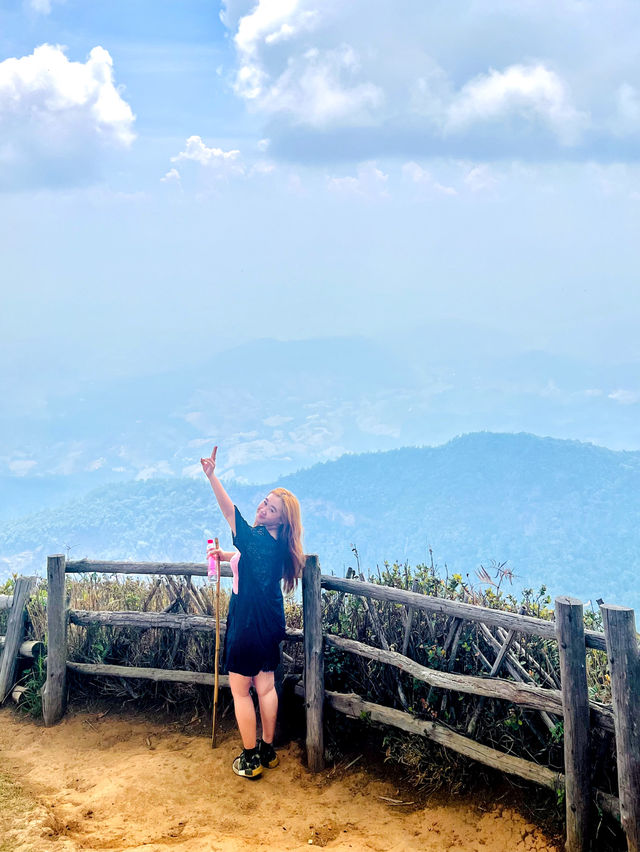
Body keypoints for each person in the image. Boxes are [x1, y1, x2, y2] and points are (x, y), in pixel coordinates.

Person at [200, 445, 304, 779]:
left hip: (245, 625)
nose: (262, 508)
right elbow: (255, 563)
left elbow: (229, 511)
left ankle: (249, 758)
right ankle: (268, 751)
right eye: (264, 502)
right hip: (270, 624)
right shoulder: (280, 547)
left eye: (270, 508)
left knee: (242, 692)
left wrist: (212, 476)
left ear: (279, 519)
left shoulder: (256, 538)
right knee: (266, 688)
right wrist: (230, 555)